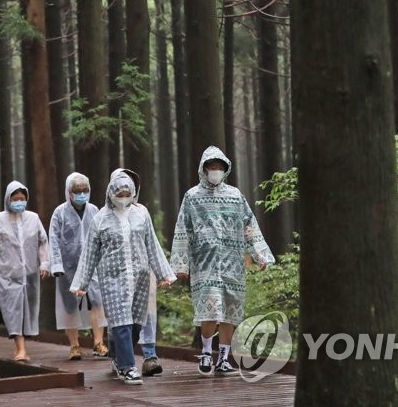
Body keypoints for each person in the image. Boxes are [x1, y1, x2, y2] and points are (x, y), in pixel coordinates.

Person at [171, 146, 275, 377]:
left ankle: (224, 358)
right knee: (209, 310)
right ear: (204, 169)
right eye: (212, 167)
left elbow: (249, 226)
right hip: (204, 263)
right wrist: (180, 265)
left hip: (233, 263)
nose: (216, 170)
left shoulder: (235, 196)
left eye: (220, 167)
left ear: (226, 169)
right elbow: (182, 230)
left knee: (229, 310)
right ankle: (207, 353)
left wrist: (260, 255)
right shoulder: (192, 197)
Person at [71, 170, 176, 386]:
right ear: (110, 193)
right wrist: (81, 283)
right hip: (112, 279)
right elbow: (90, 253)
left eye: (127, 193)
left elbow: (152, 246)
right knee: (120, 322)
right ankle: (128, 367)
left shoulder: (141, 215)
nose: (123, 196)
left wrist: (163, 274)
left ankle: (117, 355)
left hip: (140, 277)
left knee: (136, 323)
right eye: (119, 193)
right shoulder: (100, 219)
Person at [0, 180, 50, 362]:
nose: (19, 201)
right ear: (8, 199)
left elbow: (43, 241)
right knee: (12, 311)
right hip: (7, 275)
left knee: (28, 312)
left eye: (22, 198)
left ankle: (23, 346)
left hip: (30, 274)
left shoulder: (33, 218)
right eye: (15, 198)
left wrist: (45, 263)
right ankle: (20, 348)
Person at [49, 172, 109, 361]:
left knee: (98, 301)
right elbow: (54, 240)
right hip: (68, 266)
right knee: (69, 305)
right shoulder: (60, 213)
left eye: (85, 190)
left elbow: (103, 236)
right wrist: (56, 265)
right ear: (69, 192)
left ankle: (98, 343)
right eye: (77, 191)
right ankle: (74, 346)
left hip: (92, 264)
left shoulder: (94, 210)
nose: (82, 194)